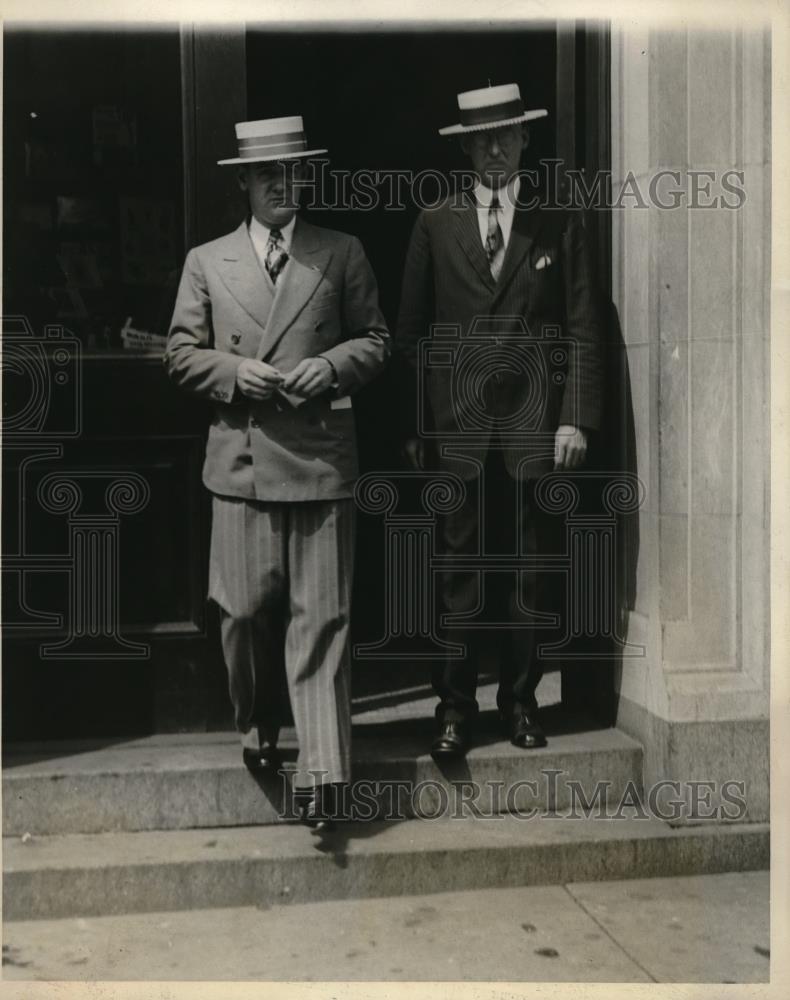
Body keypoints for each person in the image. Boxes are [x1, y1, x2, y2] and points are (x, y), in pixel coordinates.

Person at [166, 116, 390, 830]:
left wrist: (329, 364)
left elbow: (378, 339)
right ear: (244, 182)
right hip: (241, 465)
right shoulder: (209, 260)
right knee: (240, 614)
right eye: (267, 175)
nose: (281, 186)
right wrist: (237, 372)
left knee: (321, 620)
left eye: (292, 173)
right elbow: (179, 353)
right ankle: (257, 720)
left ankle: (324, 781)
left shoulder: (341, 251)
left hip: (320, 460)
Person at [396, 83, 603, 758]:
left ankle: (521, 705)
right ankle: (453, 712)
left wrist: (574, 420)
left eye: (506, 135)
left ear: (524, 141)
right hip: (455, 430)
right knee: (457, 571)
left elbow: (582, 328)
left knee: (530, 570)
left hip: (534, 428)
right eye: (482, 138)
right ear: (464, 147)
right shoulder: (435, 220)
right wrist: (416, 428)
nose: (494, 147)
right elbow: (413, 334)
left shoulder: (557, 218)